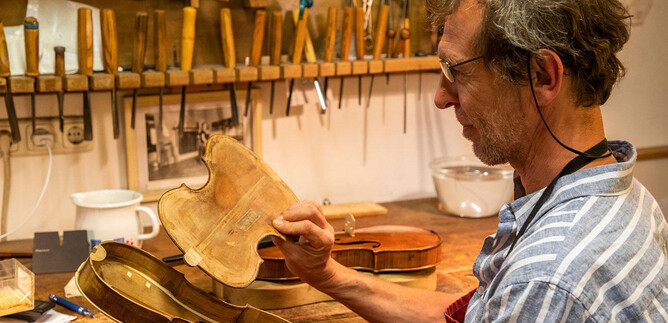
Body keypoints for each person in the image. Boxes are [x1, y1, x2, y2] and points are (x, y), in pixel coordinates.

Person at [270, 0, 668, 322]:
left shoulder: (545, 282)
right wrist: (328, 275)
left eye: (454, 71)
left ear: (543, 76)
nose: (441, 97)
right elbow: (476, 314)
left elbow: (527, 295)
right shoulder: (630, 198)